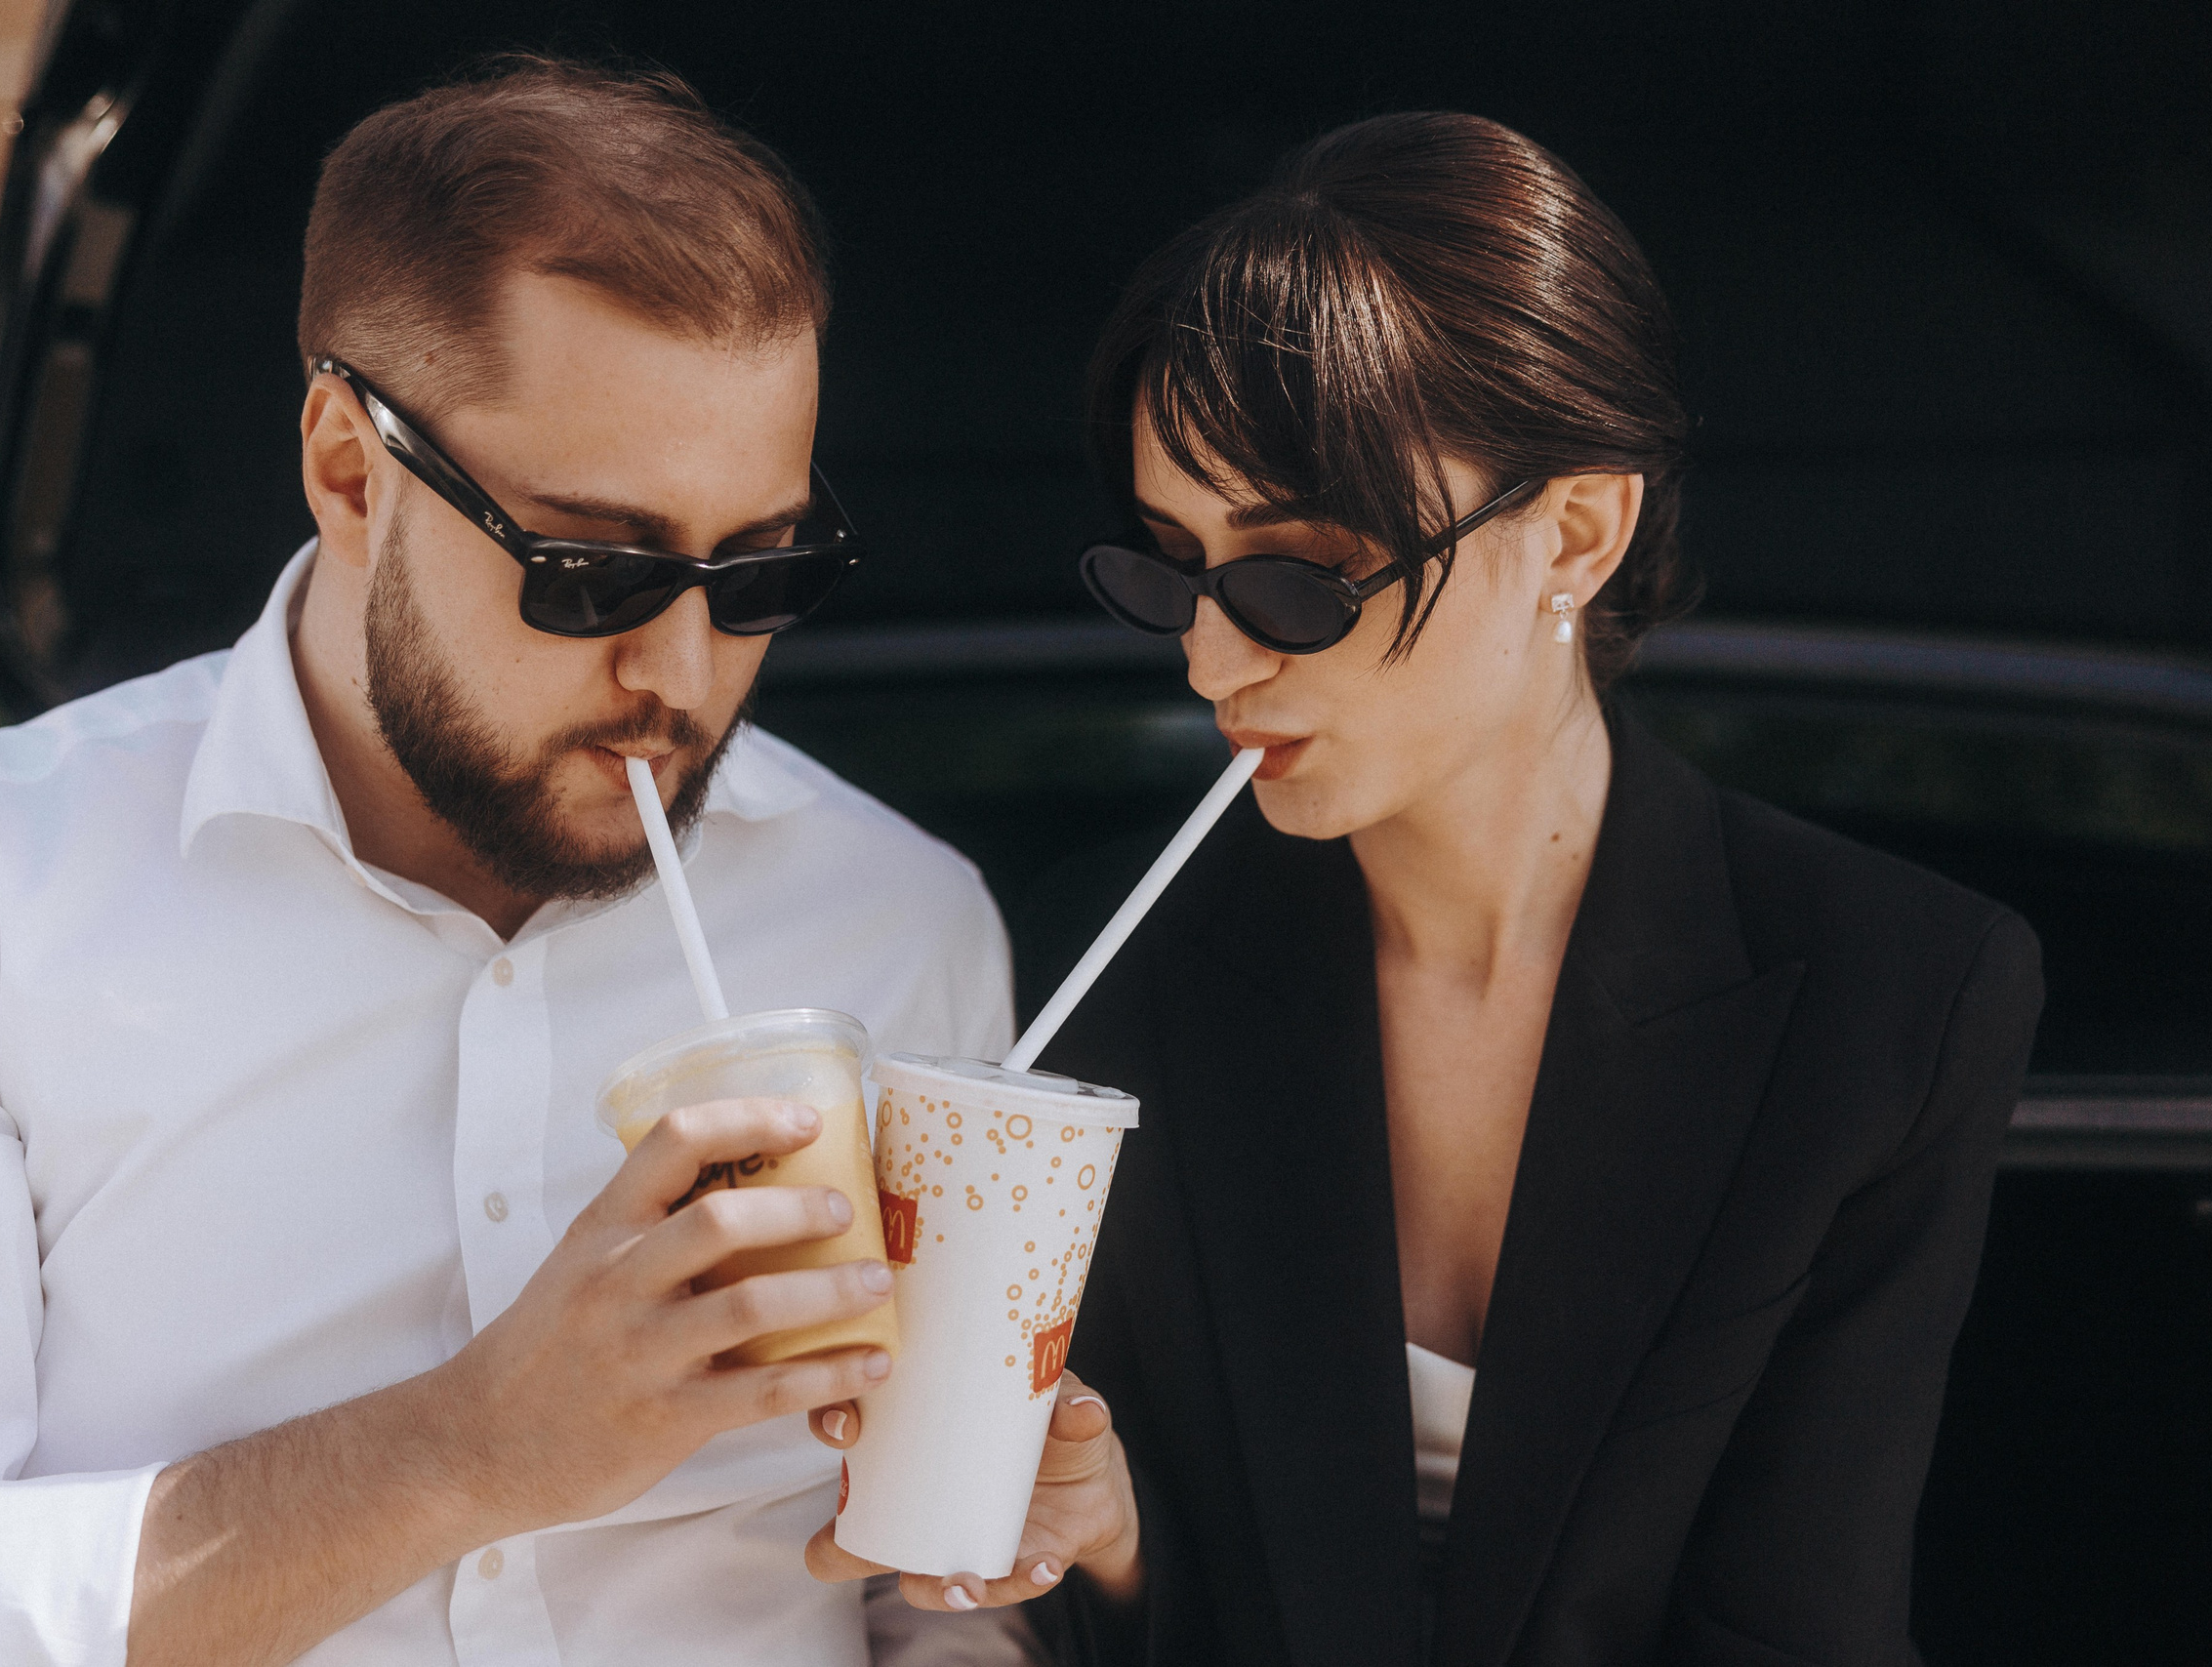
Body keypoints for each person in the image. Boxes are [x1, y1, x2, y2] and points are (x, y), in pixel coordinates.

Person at [0, 60, 1022, 1667]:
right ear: (350, 470)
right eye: (592, 568)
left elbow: (919, 1604)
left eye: (761, 569)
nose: (684, 669)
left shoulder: (899, 923)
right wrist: (465, 1451)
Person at [806, 112, 2045, 1664]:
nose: (1209, 655)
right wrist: (1107, 1544)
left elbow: (1797, 1625)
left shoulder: (1891, 996)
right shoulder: (1112, 969)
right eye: (1169, 567)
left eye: (1296, 575)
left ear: (1576, 537)